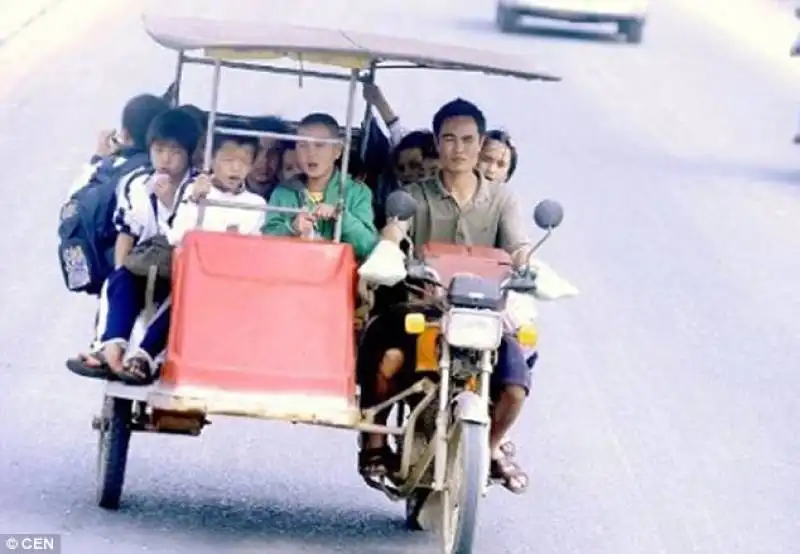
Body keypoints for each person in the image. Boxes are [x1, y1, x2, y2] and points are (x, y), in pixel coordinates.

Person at [357, 98, 535, 494]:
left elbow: (518, 245)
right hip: (422, 309)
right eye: (449, 139)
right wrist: (389, 248)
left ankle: (489, 449)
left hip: (482, 315)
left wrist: (530, 265)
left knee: (514, 384)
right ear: (437, 143)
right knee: (386, 356)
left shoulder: (503, 199)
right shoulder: (414, 195)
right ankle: (373, 443)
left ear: (481, 142)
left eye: (468, 139)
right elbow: (395, 227)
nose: (458, 148)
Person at [115, 130, 267, 384]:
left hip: (232, 280)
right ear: (212, 161)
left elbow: (253, 247)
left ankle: (146, 355)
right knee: (187, 295)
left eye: (243, 161)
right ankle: (144, 355)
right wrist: (196, 201)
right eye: (228, 160)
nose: (236, 167)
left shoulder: (257, 204)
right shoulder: (195, 192)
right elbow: (176, 236)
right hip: (197, 273)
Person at [66, 108, 202, 380]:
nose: (166, 159)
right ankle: (109, 350)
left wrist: (168, 203)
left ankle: (144, 357)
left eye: (175, 152)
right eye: (159, 150)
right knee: (117, 282)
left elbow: (188, 235)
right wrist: (119, 270)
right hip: (144, 261)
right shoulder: (136, 183)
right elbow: (126, 232)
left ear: (189, 155)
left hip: (181, 270)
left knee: (182, 300)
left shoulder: (197, 188)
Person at [262, 112, 379, 260]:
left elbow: (368, 245)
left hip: (337, 276)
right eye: (303, 145)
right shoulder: (283, 192)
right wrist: (292, 227)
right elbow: (266, 242)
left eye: (319, 145)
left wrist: (341, 218)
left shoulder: (356, 192)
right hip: (289, 273)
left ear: (337, 150)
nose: (311, 153)